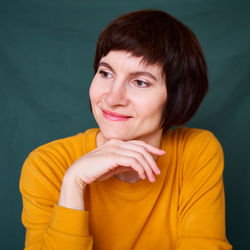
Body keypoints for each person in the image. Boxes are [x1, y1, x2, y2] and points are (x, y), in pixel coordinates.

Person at [19, 9, 232, 250]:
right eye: (105, 73)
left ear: (177, 97)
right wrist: (73, 183)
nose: (112, 98)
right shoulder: (46, 166)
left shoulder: (195, 151)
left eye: (140, 82)